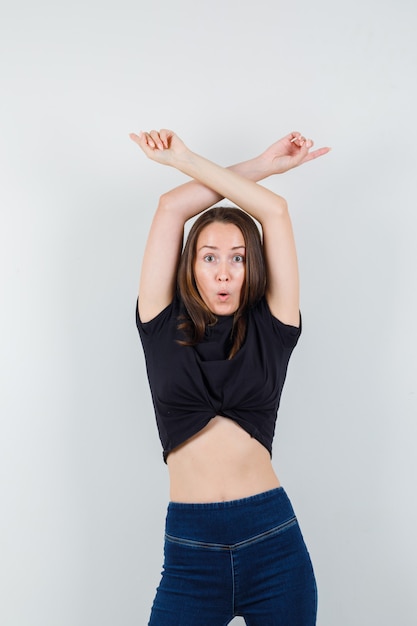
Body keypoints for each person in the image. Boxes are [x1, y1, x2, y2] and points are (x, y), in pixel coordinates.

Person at [130, 128, 330, 625]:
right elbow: (172, 206)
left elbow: (275, 212)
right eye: (210, 256)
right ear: (191, 265)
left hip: (274, 548)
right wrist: (257, 164)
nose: (224, 272)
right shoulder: (160, 322)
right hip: (190, 556)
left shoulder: (274, 324)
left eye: (238, 257)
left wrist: (195, 160)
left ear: (252, 265)